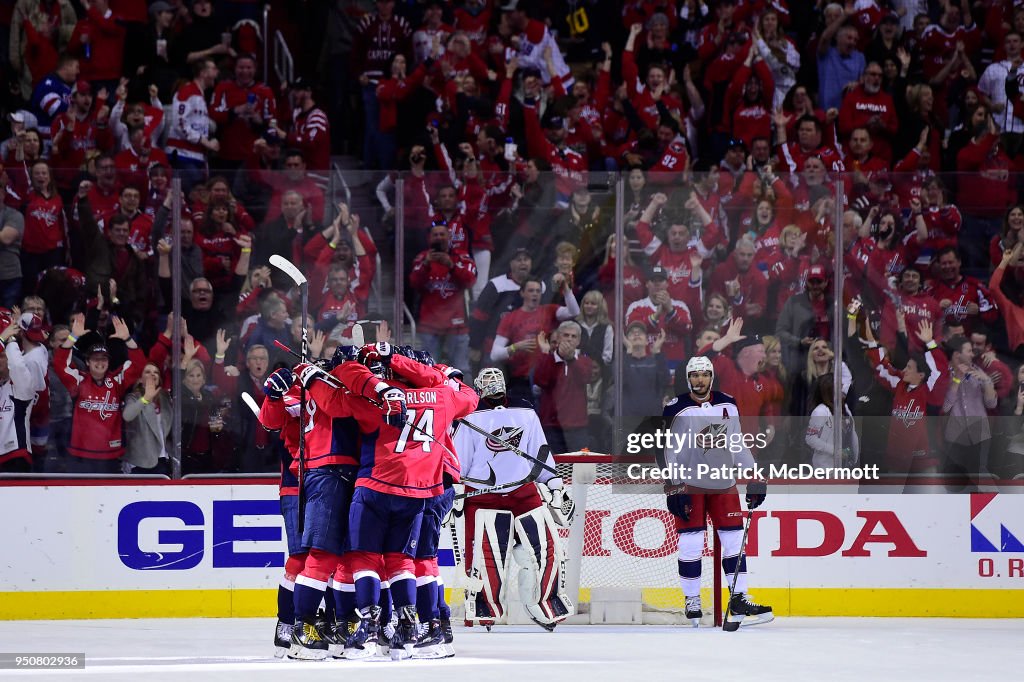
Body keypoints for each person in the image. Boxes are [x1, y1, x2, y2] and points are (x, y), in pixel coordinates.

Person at [300, 343, 477, 660]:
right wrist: (444, 373)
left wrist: (312, 375)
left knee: (365, 557)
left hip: (378, 487)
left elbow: (335, 399)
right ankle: (418, 628)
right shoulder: (444, 395)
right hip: (425, 489)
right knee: (409, 560)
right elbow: (470, 397)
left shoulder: (379, 400)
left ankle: (372, 629)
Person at [453, 367, 573, 631]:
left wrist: (553, 483)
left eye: (497, 377)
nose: (493, 382)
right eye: (487, 379)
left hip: (523, 490)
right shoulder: (468, 414)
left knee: (547, 547)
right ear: (477, 385)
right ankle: (484, 606)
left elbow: (538, 450)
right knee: (484, 556)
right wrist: (454, 487)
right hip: (482, 496)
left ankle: (545, 603)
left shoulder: (525, 409)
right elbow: (458, 460)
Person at [662, 355, 772, 627]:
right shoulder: (676, 408)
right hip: (691, 485)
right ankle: (692, 600)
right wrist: (674, 487)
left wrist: (755, 476)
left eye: (704, 374)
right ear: (688, 378)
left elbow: (737, 443)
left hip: (724, 485)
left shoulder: (728, 403)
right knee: (690, 542)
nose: (700, 379)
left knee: (735, 541)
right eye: (695, 375)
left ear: (712, 376)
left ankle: (739, 598)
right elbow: (667, 452)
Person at [53, 314, 145, 473]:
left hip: (110, 456)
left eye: (104, 359)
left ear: (109, 362)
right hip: (81, 456)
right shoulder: (79, 380)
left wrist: (128, 339)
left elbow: (139, 365)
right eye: (95, 359)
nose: (100, 363)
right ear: (87, 362)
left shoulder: (117, 381)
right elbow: (60, 364)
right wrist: (73, 336)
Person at [121, 362, 173, 475]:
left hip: (162, 459)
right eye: (148, 372)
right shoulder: (134, 397)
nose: (152, 374)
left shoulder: (165, 397)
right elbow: (127, 416)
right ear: (140, 379)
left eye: (156, 372)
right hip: (141, 462)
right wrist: (145, 399)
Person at [804, 373, 859, 469]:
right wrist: (835, 451)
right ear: (830, 390)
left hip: (847, 466)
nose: (842, 388)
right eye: (839, 386)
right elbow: (811, 439)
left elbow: (850, 437)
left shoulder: (845, 408)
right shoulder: (820, 411)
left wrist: (854, 457)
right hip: (825, 468)